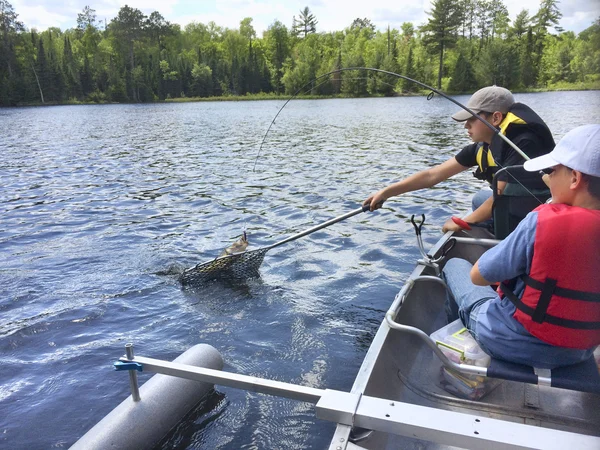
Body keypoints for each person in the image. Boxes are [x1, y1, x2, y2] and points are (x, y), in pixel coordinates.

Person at [442, 124, 600, 369]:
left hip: (510, 341)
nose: (546, 177)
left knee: (454, 265)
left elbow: (479, 276)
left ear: (575, 178)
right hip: (580, 351)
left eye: (551, 170)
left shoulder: (541, 221)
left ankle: (457, 341)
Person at [363, 86, 555, 233]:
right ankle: (491, 234)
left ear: (496, 118)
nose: (466, 126)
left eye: (472, 118)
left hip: (535, 218)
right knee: (479, 198)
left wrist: (464, 223)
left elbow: (500, 197)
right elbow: (432, 175)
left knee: (480, 208)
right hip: (510, 206)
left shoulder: (524, 142)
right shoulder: (483, 147)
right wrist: (387, 192)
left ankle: (498, 242)